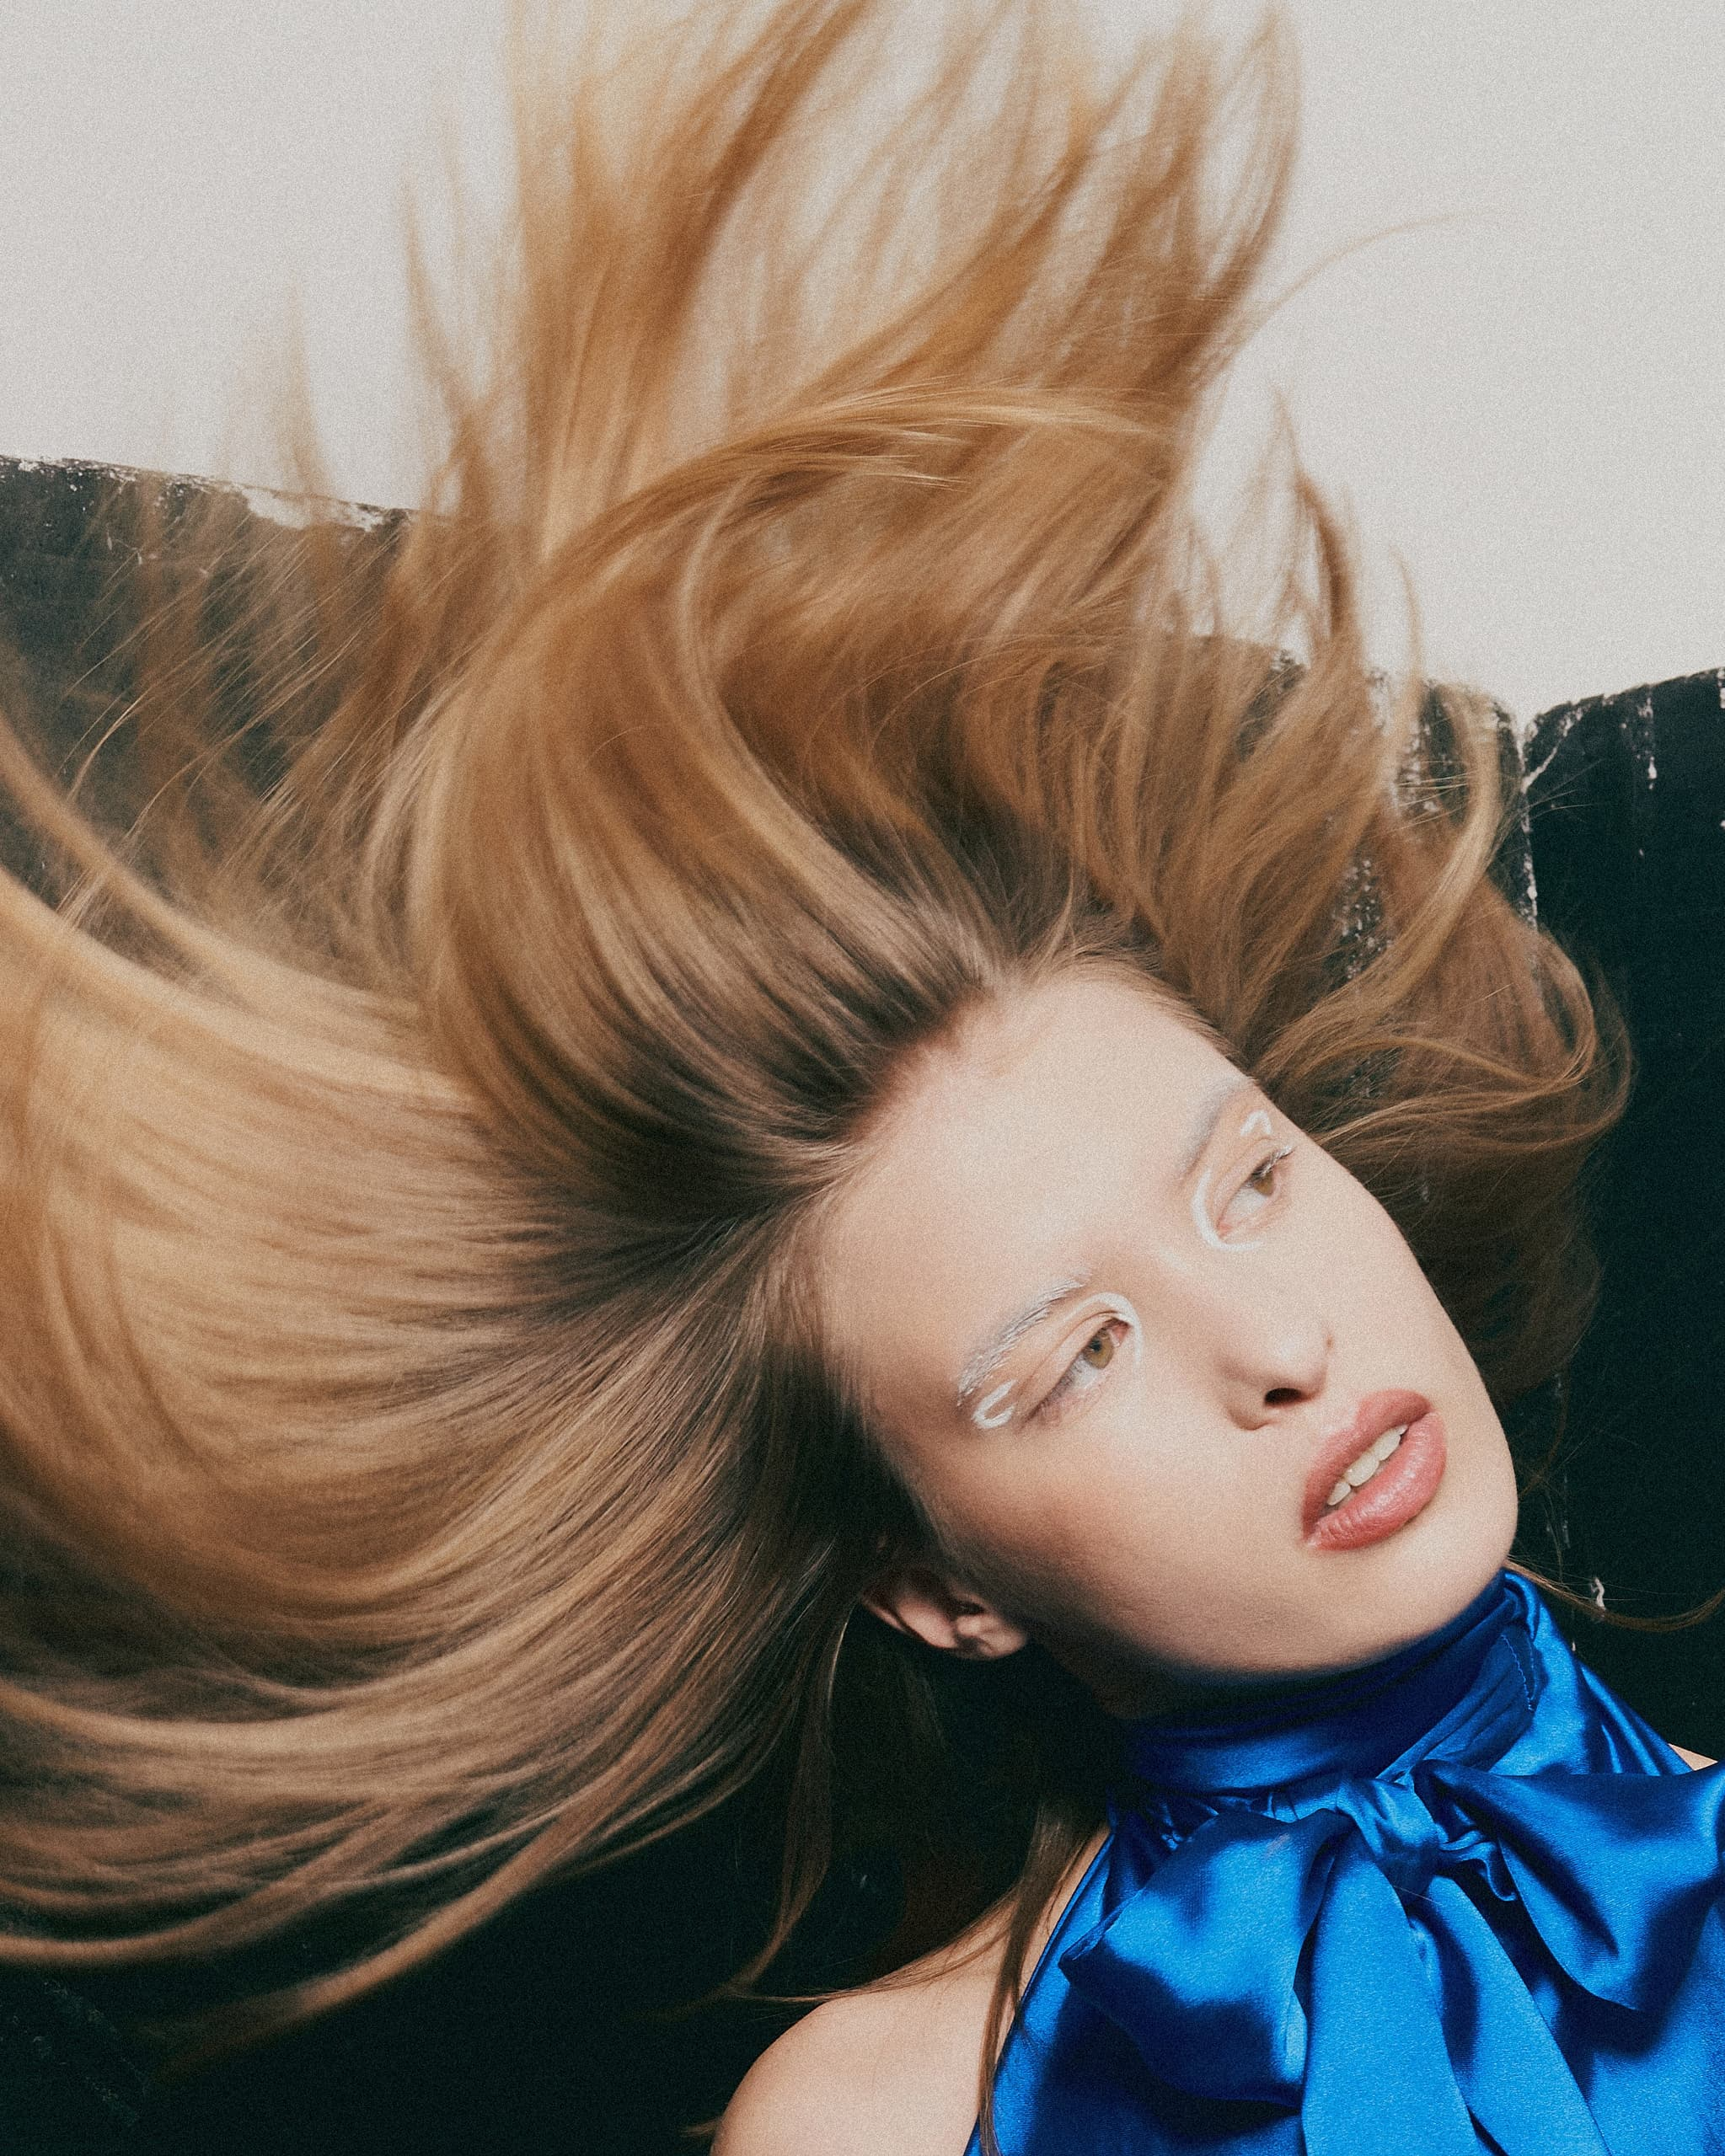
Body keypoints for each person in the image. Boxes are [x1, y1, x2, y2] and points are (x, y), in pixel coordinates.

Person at [0, 4, 1719, 2153]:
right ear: (941, 1585)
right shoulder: (881, 2117)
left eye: (1250, 1181)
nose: (1282, 1343)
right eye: (1076, 1354)